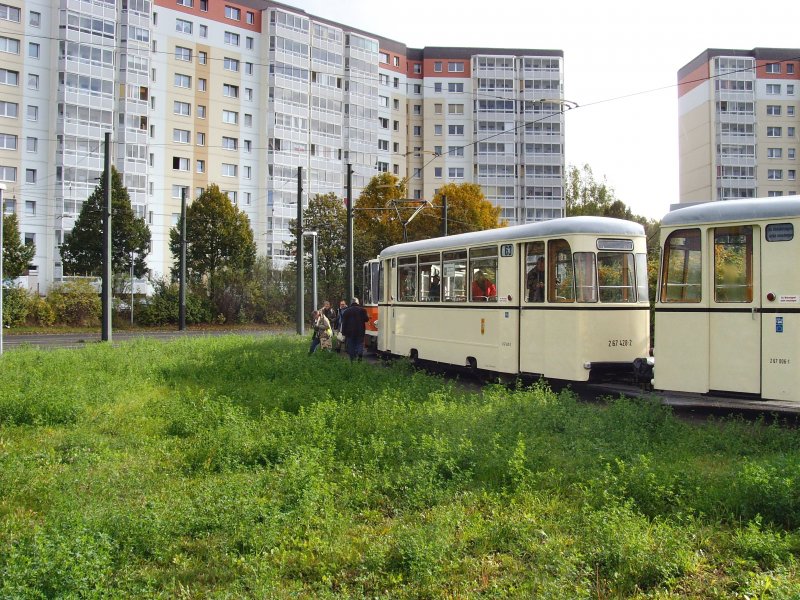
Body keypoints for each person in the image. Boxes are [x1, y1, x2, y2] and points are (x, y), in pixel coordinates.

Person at [340, 297, 369, 361]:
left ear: (351, 303)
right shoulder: (363, 310)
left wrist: (343, 333)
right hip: (360, 331)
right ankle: (360, 355)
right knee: (359, 344)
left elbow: (344, 323)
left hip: (349, 332)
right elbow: (366, 319)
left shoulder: (346, 311)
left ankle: (352, 360)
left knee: (351, 346)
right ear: (357, 302)